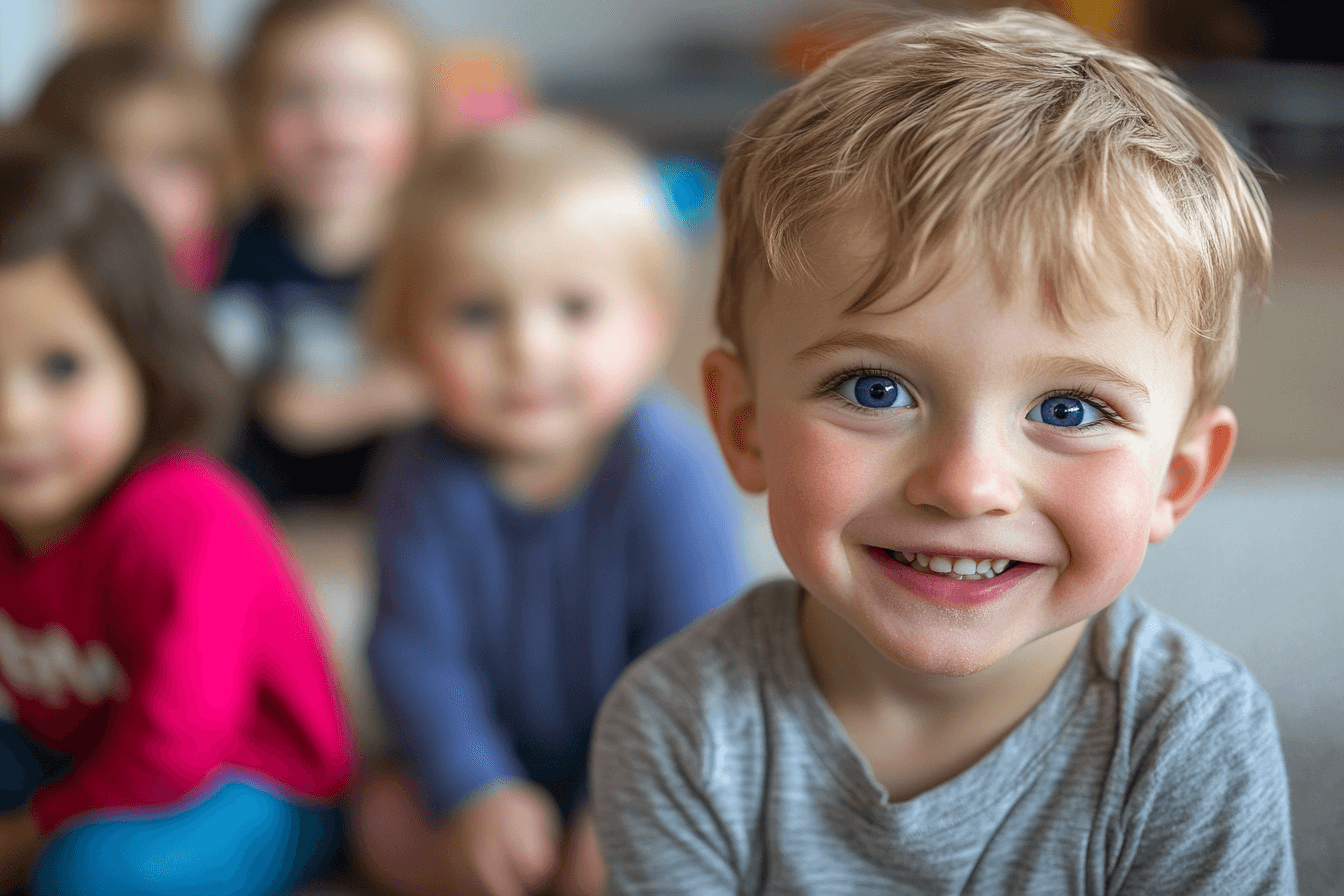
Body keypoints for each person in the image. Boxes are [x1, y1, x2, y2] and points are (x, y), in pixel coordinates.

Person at [590, 9, 1297, 895]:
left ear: (1179, 478)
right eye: (875, 390)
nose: (966, 485)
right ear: (743, 427)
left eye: (1070, 408)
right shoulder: (680, 728)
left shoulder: (1190, 738)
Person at [349, 113, 749, 896]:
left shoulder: (670, 464)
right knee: (380, 822)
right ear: (407, 336)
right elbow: (417, 657)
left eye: (575, 309)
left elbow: (693, 658)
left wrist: (624, 799)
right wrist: (476, 788)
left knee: (736, 822)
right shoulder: (415, 478)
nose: (528, 349)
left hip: (653, 755)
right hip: (487, 761)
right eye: (476, 314)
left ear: (651, 325)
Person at [0, 144, 354, 895]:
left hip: (252, 780)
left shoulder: (186, 515)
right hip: (80, 743)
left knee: (91, 874)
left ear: (144, 361)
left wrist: (28, 834)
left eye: (61, 367)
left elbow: (172, 750)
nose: (14, 415)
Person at [212, 0, 429, 505]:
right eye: (296, 97)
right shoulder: (213, 251)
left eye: (368, 98)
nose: (333, 132)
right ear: (245, 112)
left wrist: (345, 405)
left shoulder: (444, 257)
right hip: (254, 533)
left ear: (417, 118)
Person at [24, 38, 241, 291]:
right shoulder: (36, 287)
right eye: (106, 164)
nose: (138, 191)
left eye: (169, 162)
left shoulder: (238, 275)